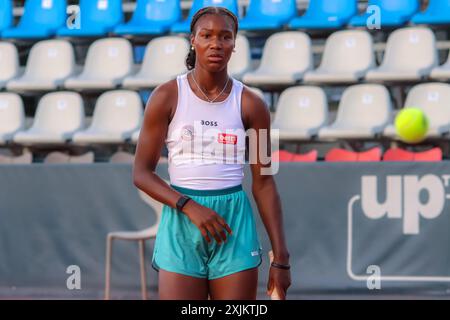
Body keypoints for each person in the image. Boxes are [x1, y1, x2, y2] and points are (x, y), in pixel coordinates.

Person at [133, 6, 291, 300]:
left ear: (234, 44)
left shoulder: (252, 105)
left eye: (225, 37)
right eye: (207, 35)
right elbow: (141, 174)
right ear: (193, 40)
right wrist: (189, 206)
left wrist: (281, 257)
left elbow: (265, 182)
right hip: (181, 220)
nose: (216, 44)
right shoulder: (166, 96)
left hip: (234, 223)